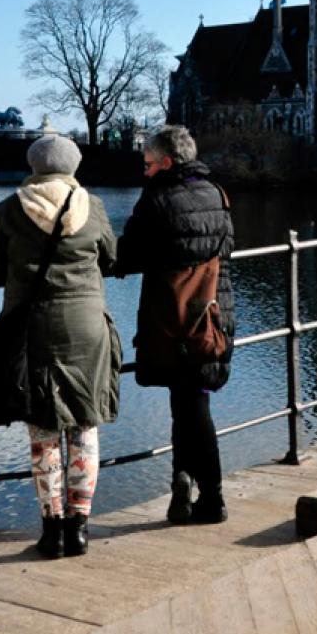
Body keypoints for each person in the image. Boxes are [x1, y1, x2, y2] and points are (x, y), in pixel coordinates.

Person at [0, 134, 120, 559]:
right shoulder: (91, 207)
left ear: (34, 165)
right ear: (73, 166)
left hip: (33, 330)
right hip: (86, 329)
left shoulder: (9, 209)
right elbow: (111, 257)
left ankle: (52, 531)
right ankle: (80, 528)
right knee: (84, 425)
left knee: (43, 432)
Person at [116, 125, 234, 526]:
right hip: (212, 315)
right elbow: (226, 248)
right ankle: (183, 490)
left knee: (190, 405)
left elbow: (127, 255)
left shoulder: (157, 199)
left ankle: (212, 498)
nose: (145, 172)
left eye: (148, 164)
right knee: (189, 402)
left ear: (166, 162)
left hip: (171, 319)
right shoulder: (216, 193)